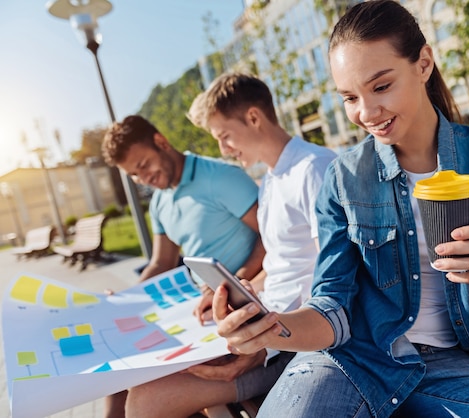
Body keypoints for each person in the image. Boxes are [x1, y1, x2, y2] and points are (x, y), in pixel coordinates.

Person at [212, 1, 469, 417]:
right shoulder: (344, 179)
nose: (366, 113)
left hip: (450, 371)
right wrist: (273, 329)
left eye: (381, 87)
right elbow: (332, 307)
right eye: (349, 97)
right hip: (349, 362)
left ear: (423, 64)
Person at [122, 73, 336, 418]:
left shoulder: (313, 170)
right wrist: (239, 290)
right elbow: (284, 263)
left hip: (288, 340)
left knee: (147, 400)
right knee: (138, 375)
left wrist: (262, 341)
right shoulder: (271, 181)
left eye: (224, 136)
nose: (222, 149)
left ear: (253, 118)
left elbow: (336, 281)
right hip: (264, 326)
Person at [101, 114, 265, 417]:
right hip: (195, 309)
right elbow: (161, 262)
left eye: (143, 166)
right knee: (114, 369)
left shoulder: (221, 177)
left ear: (161, 142)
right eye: (134, 176)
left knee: (142, 392)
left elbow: (270, 235)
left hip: (236, 310)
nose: (143, 179)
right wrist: (122, 301)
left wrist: (233, 284)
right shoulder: (160, 202)